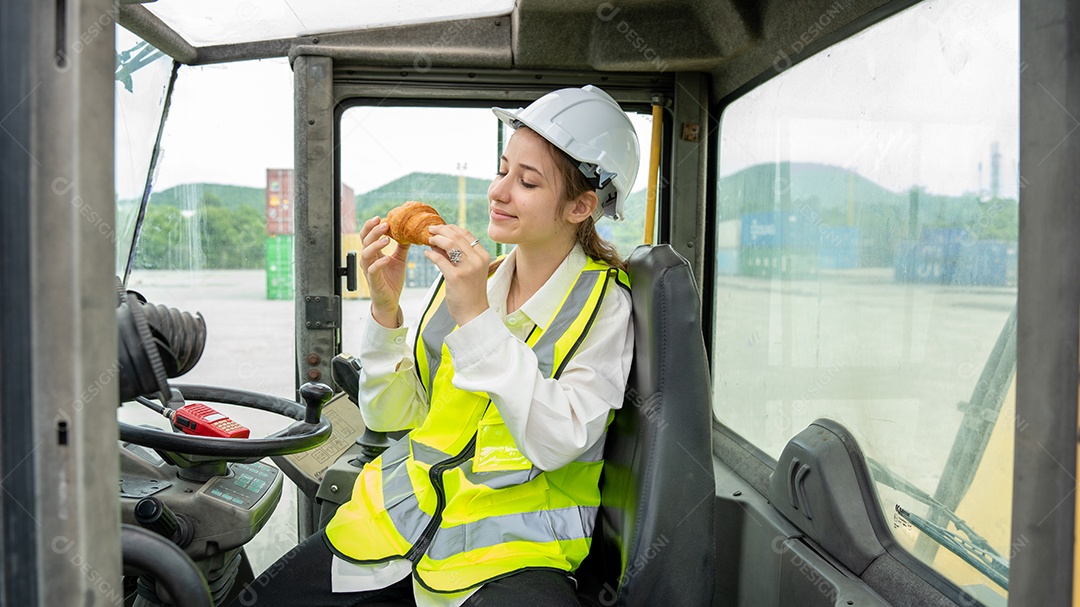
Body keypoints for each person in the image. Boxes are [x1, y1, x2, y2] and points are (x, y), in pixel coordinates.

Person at [230, 85, 639, 607]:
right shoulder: (473, 280)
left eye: (527, 181)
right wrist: (385, 310)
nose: (499, 191)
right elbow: (391, 418)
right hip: (390, 528)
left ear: (581, 206)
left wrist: (475, 316)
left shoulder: (606, 305)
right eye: (502, 169)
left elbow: (558, 440)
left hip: (511, 559)